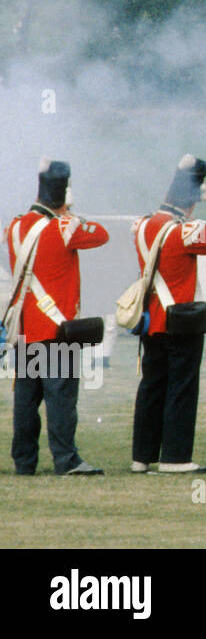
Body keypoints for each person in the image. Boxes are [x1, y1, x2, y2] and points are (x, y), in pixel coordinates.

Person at [5, 158, 110, 475]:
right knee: (61, 399)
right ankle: (66, 460)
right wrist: (68, 214)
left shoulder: (14, 226)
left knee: (26, 400)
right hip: (56, 329)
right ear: (63, 195)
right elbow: (101, 235)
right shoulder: (65, 226)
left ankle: (24, 462)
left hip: (25, 327)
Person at [130, 155, 206, 474]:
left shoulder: (142, 225)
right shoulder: (183, 231)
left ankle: (142, 456)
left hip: (151, 321)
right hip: (179, 320)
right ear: (190, 201)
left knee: (152, 388)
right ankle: (175, 457)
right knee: (181, 389)